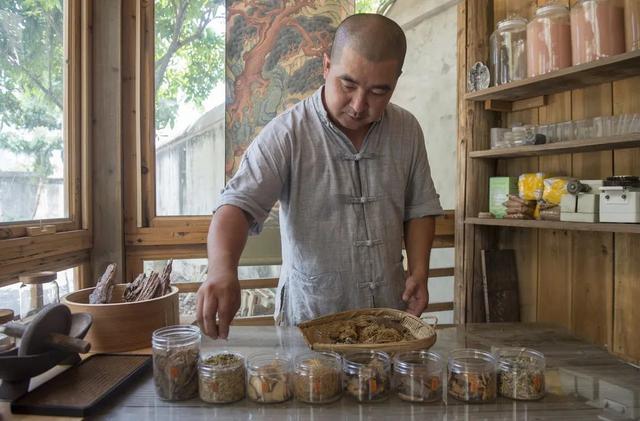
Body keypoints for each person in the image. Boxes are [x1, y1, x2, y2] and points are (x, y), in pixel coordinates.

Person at [196, 13, 442, 339]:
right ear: (326, 66)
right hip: (311, 322)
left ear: (396, 81)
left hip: (388, 317)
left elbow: (420, 207)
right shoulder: (287, 134)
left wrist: (420, 271)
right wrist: (221, 269)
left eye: (379, 92)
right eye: (348, 84)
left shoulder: (407, 130)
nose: (358, 104)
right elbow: (236, 206)